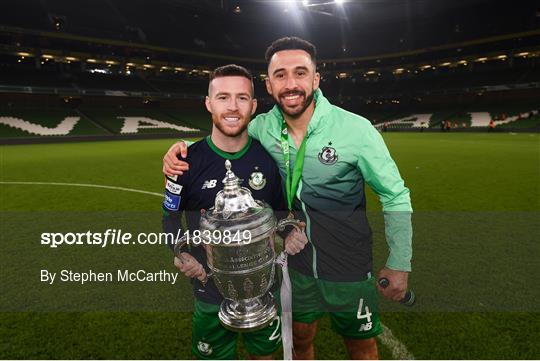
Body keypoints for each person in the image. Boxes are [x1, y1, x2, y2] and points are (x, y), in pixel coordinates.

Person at [163, 37, 413, 360]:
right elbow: (225, 133)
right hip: (295, 267)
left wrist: (399, 261)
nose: (291, 83)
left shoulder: (357, 130)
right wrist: (180, 150)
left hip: (350, 265)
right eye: (280, 75)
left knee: (362, 346)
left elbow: (395, 195)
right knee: (299, 341)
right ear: (268, 85)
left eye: (300, 73)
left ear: (316, 79)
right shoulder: (261, 128)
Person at [162, 64, 307, 359]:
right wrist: (182, 255)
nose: (232, 107)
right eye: (223, 97)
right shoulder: (184, 162)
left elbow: (283, 213)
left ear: (253, 106)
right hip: (209, 290)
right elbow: (170, 218)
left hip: (262, 289)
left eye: (241, 98)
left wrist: (293, 232)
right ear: (208, 103)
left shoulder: (267, 161)